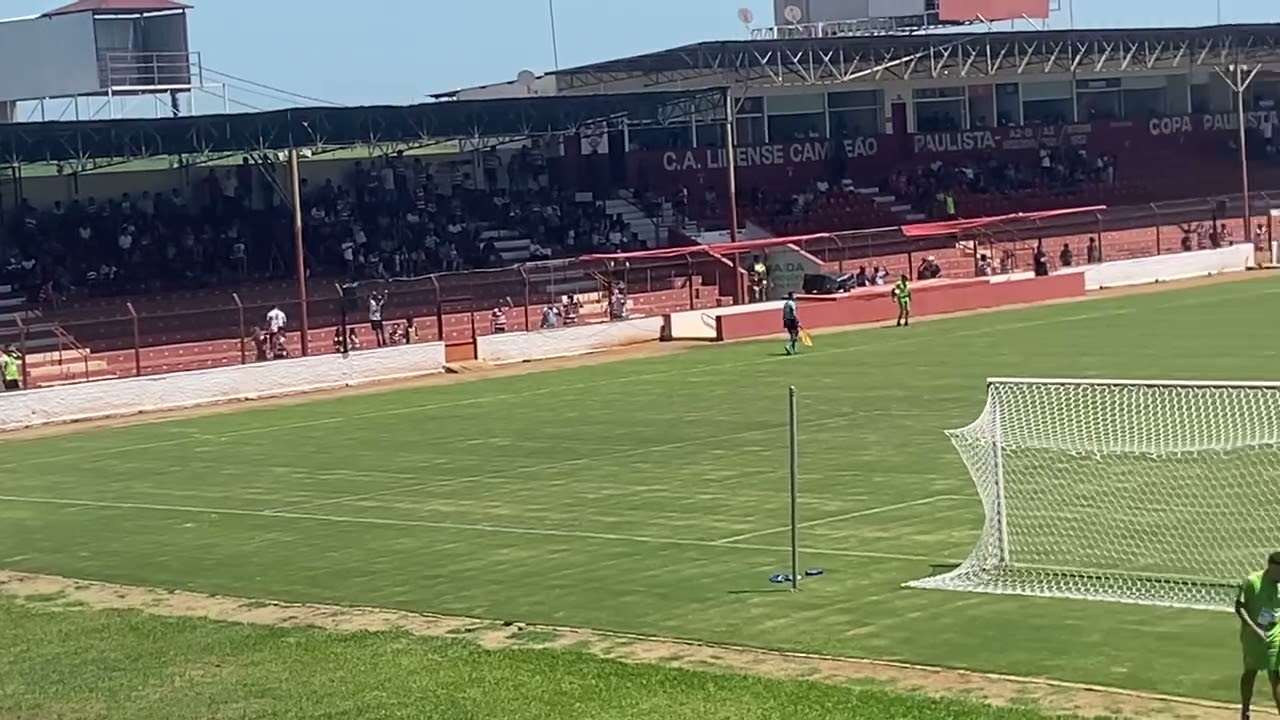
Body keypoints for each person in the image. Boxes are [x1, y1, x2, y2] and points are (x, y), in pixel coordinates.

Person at [1238, 551, 1280, 719]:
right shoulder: (1252, 582)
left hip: (1276, 634)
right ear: (1270, 566)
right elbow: (1239, 607)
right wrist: (1255, 629)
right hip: (1253, 636)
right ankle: (1245, 710)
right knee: (1250, 672)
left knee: (1275, 675)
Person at [781, 291, 801, 355]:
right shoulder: (792, 303)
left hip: (787, 320)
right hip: (792, 320)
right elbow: (793, 313)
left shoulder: (786, 303)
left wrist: (784, 321)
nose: (795, 296)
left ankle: (794, 350)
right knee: (795, 334)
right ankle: (788, 345)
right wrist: (797, 321)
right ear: (791, 296)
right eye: (794, 295)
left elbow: (784, 313)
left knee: (792, 335)